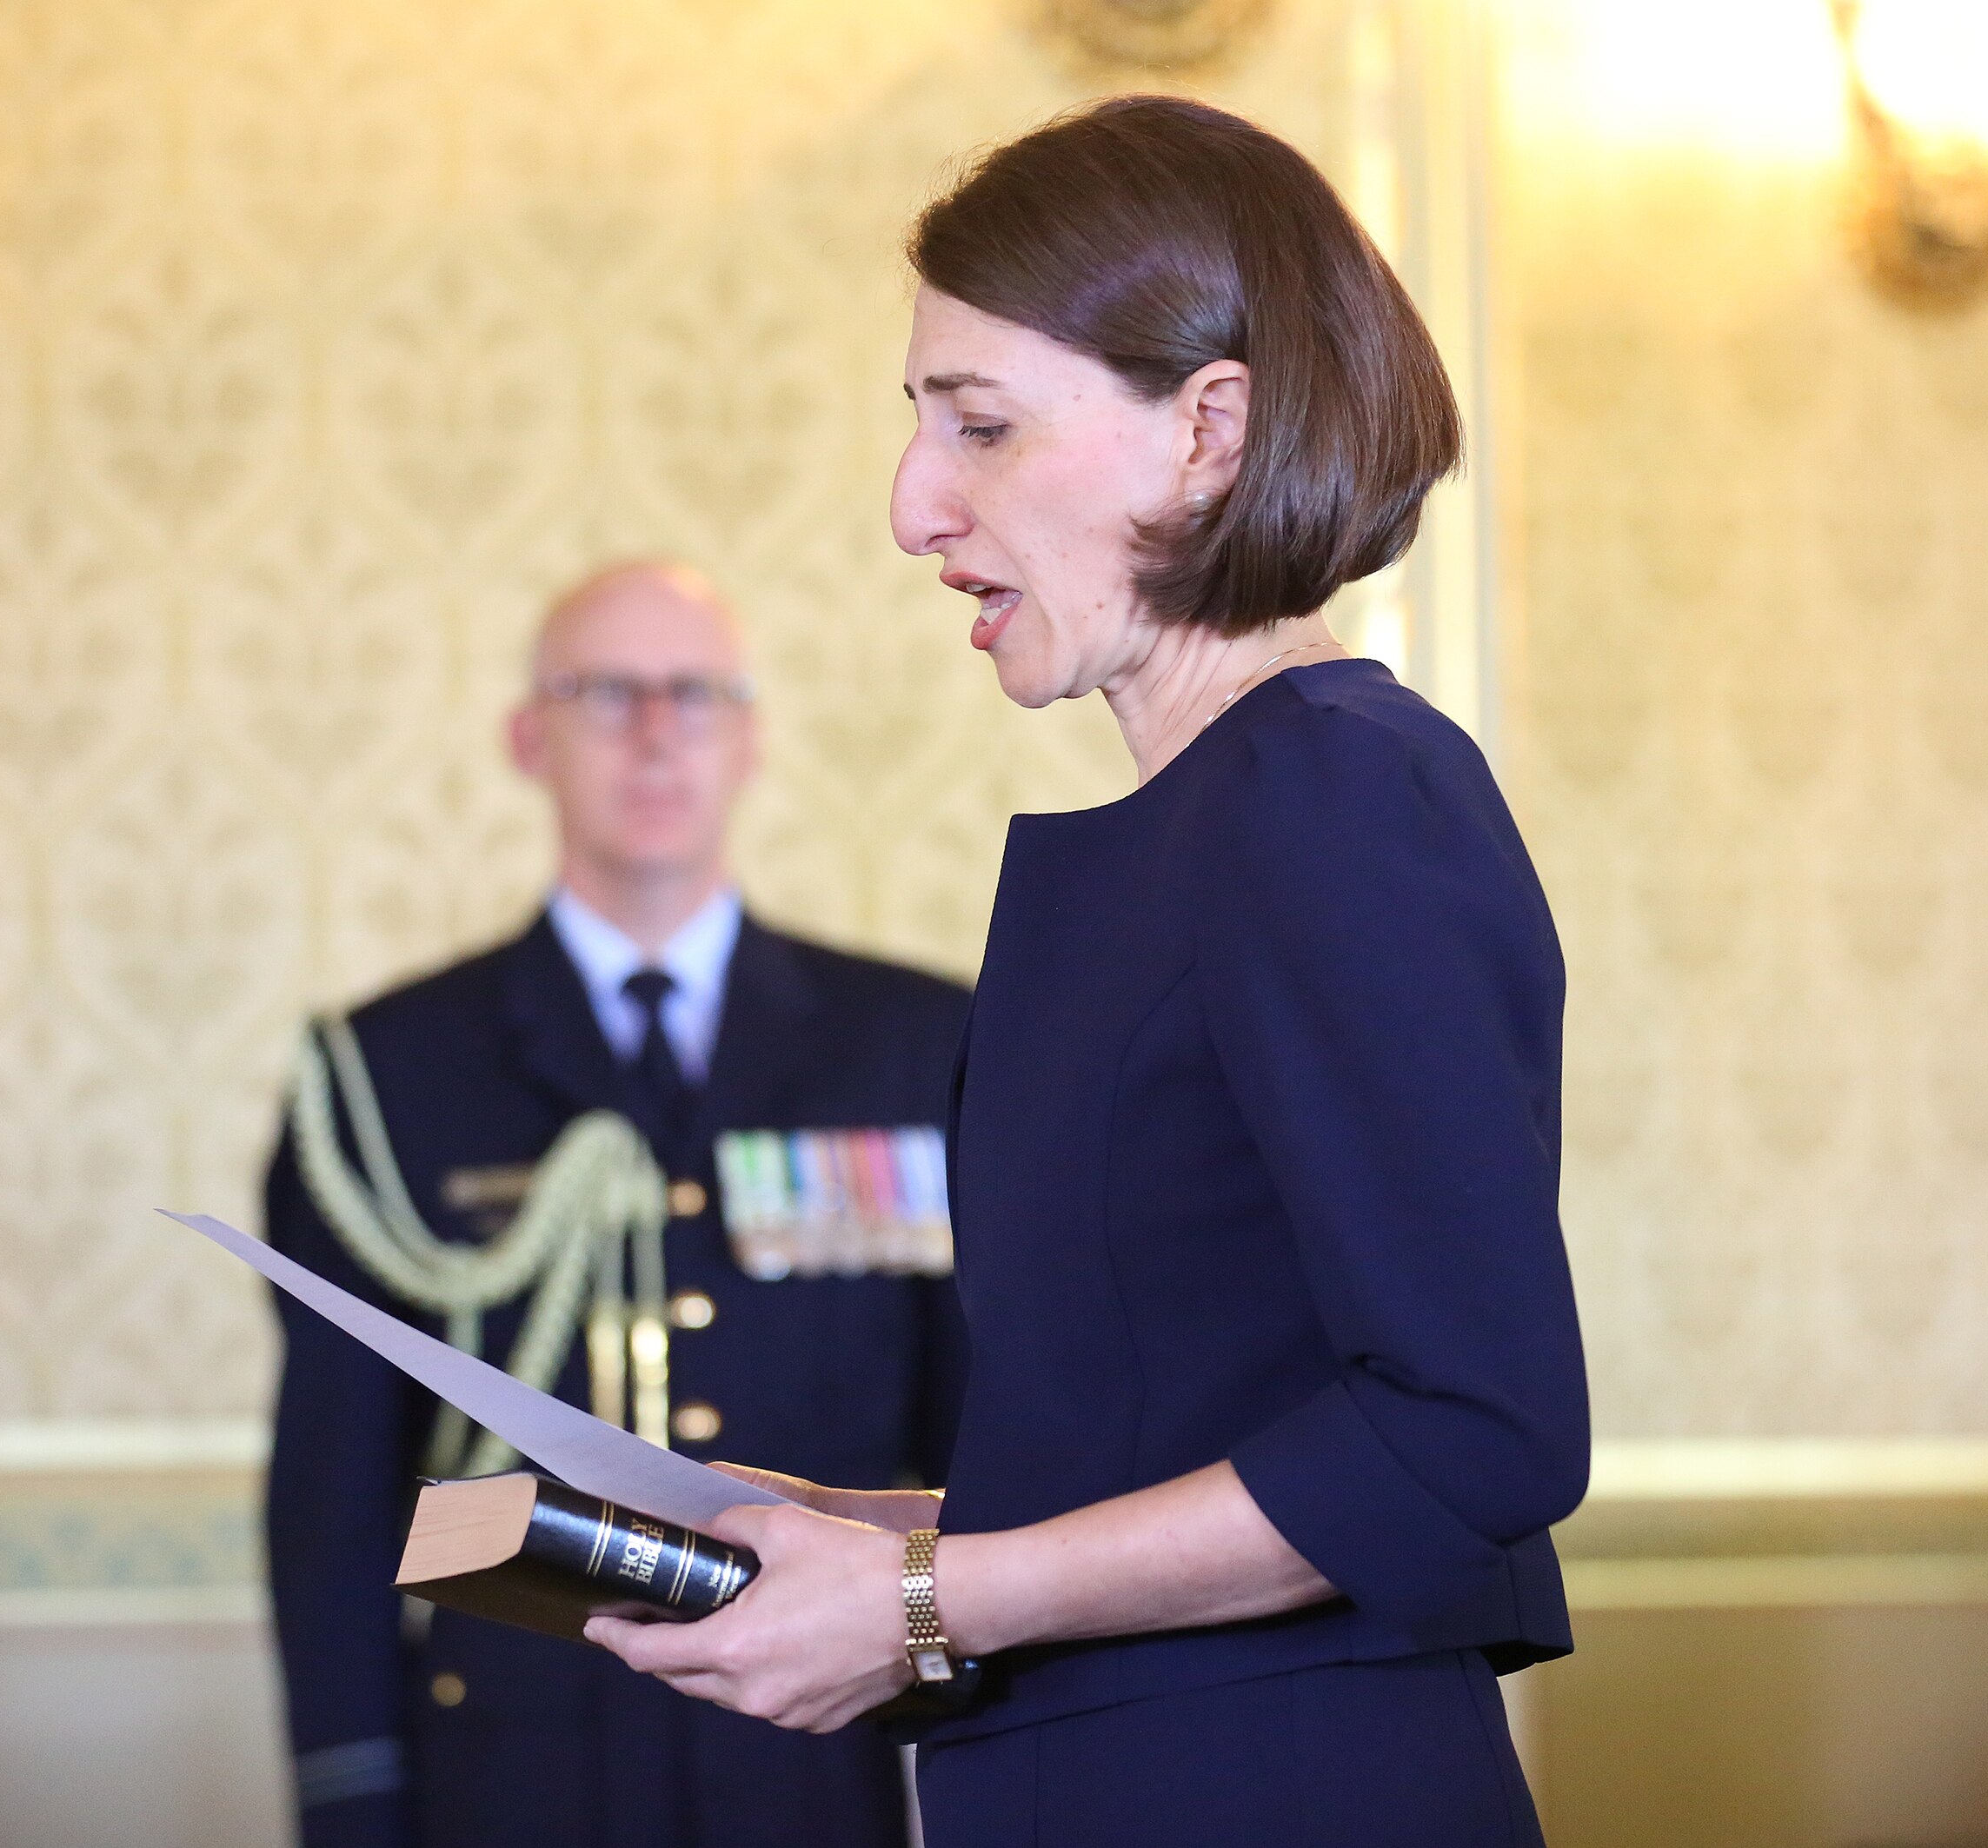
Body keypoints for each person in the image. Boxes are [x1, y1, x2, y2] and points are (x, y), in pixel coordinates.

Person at [582, 97, 1589, 1847]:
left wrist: (924, 1599)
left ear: (1211, 431)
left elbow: (1474, 1432)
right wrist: (849, 1526)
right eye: (919, 426)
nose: (914, 507)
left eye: (979, 426)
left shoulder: (1338, 790)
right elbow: (1157, 1432)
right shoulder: (1208, 821)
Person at [263, 562, 971, 1848]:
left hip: (824, 1755)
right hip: (510, 1761)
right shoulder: (387, 1072)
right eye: (606, 693)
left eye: (696, 694)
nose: (657, 731)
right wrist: (349, 1796)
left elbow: (983, 1442)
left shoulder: (917, 1045)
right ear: (528, 737)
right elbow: (336, 1489)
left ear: (752, 737)